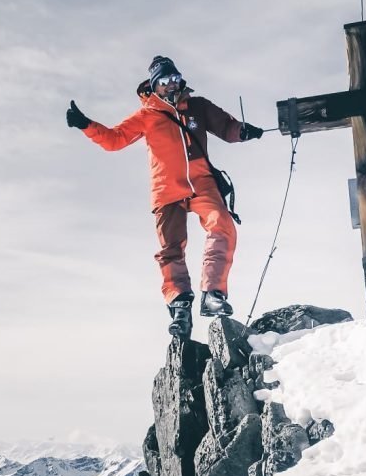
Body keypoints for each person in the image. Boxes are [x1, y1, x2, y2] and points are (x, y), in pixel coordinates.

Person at [66, 55, 263, 340]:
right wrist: (85, 124)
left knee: (222, 225)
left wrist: (242, 131)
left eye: (175, 78)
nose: (171, 85)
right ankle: (179, 303)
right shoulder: (147, 116)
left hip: (201, 182)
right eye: (164, 81)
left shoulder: (198, 106)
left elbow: (227, 127)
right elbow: (114, 140)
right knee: (171, 248)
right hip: (167, 189)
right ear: (153, 86)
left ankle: (213, 293)